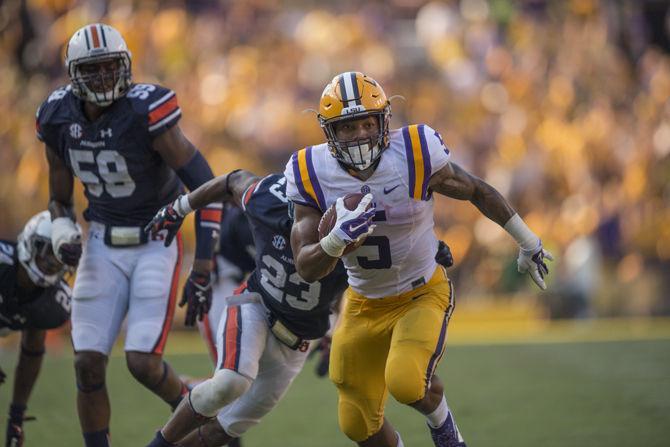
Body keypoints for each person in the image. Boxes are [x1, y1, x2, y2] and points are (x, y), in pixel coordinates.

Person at [285, 71, 553, 447]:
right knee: (356, 423)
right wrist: (333, 242)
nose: (360, 134)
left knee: (406, 381)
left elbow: (475, 190)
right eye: (347, 127)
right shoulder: (309, 170)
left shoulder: (412, 151)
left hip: (421, 292)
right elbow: (306, 266)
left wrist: (527, 241)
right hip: (363, 303)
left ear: (384, 121)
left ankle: (445, 430)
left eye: (367, 122)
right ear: (329, 131)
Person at [144, 169, 456, 446]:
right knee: (229, 383)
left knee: (226, 428)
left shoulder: (355, 229)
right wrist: (179, 207)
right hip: (255, 306)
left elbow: (380, 269)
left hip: (297, 344)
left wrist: (427, 253)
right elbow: (230, 181)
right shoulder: (269, 197)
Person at [36, 23, 220, 447]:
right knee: (85, 363)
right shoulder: (56, 117)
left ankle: (196, 406)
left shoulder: (144, 110)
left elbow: (208, 185)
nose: (103, 78)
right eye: (92, 70)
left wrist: (205, 261)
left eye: (109, 67)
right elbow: (58, 198)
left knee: (142, 362)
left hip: (156, 240)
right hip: (101, 241)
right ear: (73, 74)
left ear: (125, 67)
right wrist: (63, 229)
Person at [0, 211, 72, 447]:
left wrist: (16, 416)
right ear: (30, 242)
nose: (51, 262)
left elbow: (32, 350)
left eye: (58, 256)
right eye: (45, 251)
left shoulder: (52, 303)